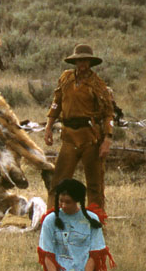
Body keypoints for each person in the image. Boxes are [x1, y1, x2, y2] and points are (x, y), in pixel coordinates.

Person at [43, 44, 114, 221]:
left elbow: (108, 113)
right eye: (79, 60)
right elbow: (56, 102)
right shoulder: (66, 78)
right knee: (58, 181)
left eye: (85, 60)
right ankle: (52, 219)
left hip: (90, 137)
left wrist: (107, 139)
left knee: (94, 184)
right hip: (69, 136)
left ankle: (97, 221)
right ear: (75, 61)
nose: (82, 64)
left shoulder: (98, 84)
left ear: (90, 62)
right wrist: (48, 126)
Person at [38, 179, 115, 271]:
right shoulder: (50, 220)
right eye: (60, 201)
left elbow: (94, 254)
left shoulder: (91, 220)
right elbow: (47, 253)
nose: (63, 205)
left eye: (68, 202)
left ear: (78, 200)